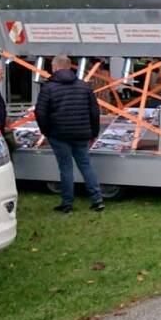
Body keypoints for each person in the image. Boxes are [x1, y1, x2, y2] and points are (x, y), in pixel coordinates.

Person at [35, 54, 104, 213]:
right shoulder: (84, 86)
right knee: (85, 165)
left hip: (58, 134)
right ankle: (97, 199)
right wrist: (93, 133)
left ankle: (67, 204)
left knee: (66, 168)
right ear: (70, 66)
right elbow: (94, 112)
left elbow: (41, 112)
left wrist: (46, 131)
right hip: (81, 133)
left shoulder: (49, 87)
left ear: (55, 67)